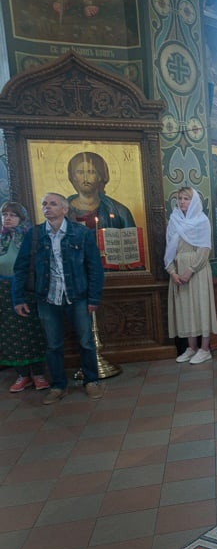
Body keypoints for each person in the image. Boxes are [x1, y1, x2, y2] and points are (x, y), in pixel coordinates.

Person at [12, 192, 105, 404]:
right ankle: (58, 385)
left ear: (65, 209)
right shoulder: (34, 235)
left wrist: (94, 298)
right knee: (53, 344)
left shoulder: (81, 233)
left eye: (53, 204)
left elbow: (94, 268)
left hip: (77, 296)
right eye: (44, 204)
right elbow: (21, 268)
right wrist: (18, 298)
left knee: (86, 341)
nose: (47, 207)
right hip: (47, 297)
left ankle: (91, 381)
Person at [167, 188, 217, 365]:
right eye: (179, 198)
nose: (182, 202)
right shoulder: (174, 220)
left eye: (186, 199)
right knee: (185, 309)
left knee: (200, 307)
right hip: (179, 269)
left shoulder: (202, 221)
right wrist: (172, 271)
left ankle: (205, 349)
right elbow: (168, 250)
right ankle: (192, 347)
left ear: (194, 201)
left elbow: (204, 250)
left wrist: (190, 270)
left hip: (197, 270)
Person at [0, 202, 48, 391]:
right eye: (5, 215)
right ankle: (22, 375)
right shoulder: (1, 239)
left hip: (26, 290)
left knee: (32, 333)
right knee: (10, 335)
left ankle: (38, 374)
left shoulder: (29, 238)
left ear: (22, 218)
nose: (8, 218)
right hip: (3, 293)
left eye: (13, 215)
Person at [65, 151, 136, 230]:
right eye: (80, 172)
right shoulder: (61, 211)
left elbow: (131, 239)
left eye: (91, 172)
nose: (85, 178)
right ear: (73, 177)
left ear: (100, 176)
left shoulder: (119, 212)